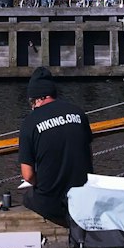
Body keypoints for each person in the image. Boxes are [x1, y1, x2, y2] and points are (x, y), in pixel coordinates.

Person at [18, 67, 93, 227]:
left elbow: (28, 175)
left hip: (53, 205)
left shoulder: (29, 123)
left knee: (27, 196)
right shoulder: (78, 113)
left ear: (35, 99)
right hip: (83, 200)